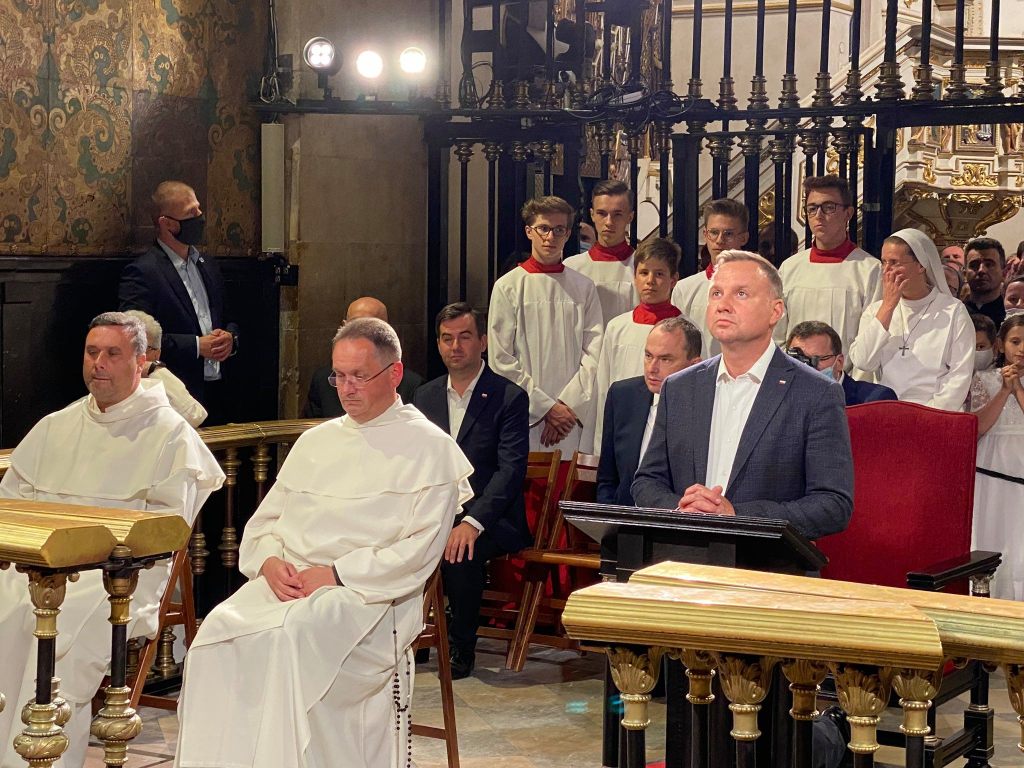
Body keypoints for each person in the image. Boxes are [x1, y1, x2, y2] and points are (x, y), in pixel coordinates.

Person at [174, 318, 473, 768]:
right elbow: (263, 525)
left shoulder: (430, 448)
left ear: (394, 373)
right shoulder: (315, 442)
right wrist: (269, 562)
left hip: (370, 598)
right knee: (216, 633)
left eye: (359, 376)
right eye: (339, 376)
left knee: (288, 638)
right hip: (291, 582)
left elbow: (418, 553)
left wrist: (336, 574)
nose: (346, 389)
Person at [631, 250, 852, 768]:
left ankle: (828, 739)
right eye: (716, 293)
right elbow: (646, 482)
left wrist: (738, 516)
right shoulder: (682, 387)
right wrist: (683, 505)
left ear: (776, 311)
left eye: (740, 293)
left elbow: (834, 504)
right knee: (694, 733)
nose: (723, 303)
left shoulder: (814, 394)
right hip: (692, 578)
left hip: (771, 582)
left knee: (772, 743)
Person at [0, 312, 224, 768]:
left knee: (59, 636)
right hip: (35, 568)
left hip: (114, 579)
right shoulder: (55, 426)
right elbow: (11, 506)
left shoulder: (169, 435)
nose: (98, 363)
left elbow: (164, 533)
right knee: (10, 611)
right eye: (92, 352)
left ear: (141, 362)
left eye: (112, 353)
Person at [414, 303, 530, 679]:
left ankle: (460, 647)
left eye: (464, 337)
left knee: (460, 549)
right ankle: (412, 638)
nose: (455, 346)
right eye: (447, 338)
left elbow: (510, 472)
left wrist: (473, 522)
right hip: (437, 512)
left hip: (493, 518)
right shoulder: (424, 396)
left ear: (482, 341)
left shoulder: (509, 397)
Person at [488, 195, 603, 453]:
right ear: (529, 231)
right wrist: (546, 408)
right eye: (543, 228)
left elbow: (594, 353)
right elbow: (501, 359)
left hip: (570, 420)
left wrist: (567, 406)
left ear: (568, 234)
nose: (550, 237)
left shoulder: (583, 287)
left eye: (559, 229)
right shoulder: (508, 287)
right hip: (525, 416)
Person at [118, 181, 238, 422]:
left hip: (220, 389)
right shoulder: (143, 272)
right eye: (191, 213)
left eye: (199, 209)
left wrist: (230, 338)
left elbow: (229, 315)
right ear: (167, 224)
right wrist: (196, 345)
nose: (200, 217)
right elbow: (137, 337)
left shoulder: (208, 264)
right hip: (175, 393)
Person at [849, 229, 974, 410]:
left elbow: (959, 375)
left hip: (935, 414)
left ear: (921, 265)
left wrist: (929, 414)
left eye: (894, 263)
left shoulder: (953, 311)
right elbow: (863, 362)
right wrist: (888, 306)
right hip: (885, 411)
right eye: (884, 262)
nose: (886, 270)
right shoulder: (876, 311)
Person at [597, 317, 702, 506]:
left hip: (677, 518)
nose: (652, 368)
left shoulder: (706, 408)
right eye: (648, 356)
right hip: (624, 519)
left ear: (694, 365)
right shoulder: (622, 396)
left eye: (665, 359)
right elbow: (608, 479)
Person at [777, 176, 881, 362]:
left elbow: (871, 338)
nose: (818, 215)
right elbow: (777, 333)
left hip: (846, 375)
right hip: (796, 374)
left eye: (828, 207)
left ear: (848, 213)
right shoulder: (790, 268)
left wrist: (848, 377)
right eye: (812, 208)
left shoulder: (869, 270)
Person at [593, 238, 683, 448]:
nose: (650, 281)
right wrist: (600, 445)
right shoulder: (617, 327)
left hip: (668, 432)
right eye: (644, 273)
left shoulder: (687, 330)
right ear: (634, 277)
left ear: (673, 280)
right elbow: (604, 388)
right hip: (623, 430)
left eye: (659, 274)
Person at [969, 314, 1024, 600]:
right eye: (1015, 341)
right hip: (991, 470)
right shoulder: (983, 379)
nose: (1022, 349)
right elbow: (977, 427)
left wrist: (1019, 389)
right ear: (1001, 345)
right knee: (994, 530)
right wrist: (1004, 390)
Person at [304, 296, 424, 417]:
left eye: (360, 376)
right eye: (354, 324)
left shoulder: (412, 386)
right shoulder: (322, 380)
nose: (347, 390)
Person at [672, 198, 750, 359]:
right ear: (705, 235)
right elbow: (676, 342)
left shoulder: (758, 287)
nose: (720, 240)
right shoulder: (685, 289)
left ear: (744, 238)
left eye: (728, 234)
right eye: (714, 232)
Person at [563, 180, 637, 323]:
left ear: (630, 217)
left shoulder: (642, 267)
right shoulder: (572, 267)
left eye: (617, 214)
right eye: (602, 213)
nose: (609, 222)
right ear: (592, 215)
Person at [125, 309, 208, 427]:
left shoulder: (158, 381)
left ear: (156, 354)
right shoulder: (105, 377)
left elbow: (195, 416)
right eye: (122, 348)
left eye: (141, 348)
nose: (131, 356)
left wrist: (154, 369)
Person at [785, 320, 897, 406]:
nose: (806, 368)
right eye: (798, 360)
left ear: (839, 362)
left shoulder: (876, 400)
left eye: (815, 359)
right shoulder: (781, 400)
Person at [964, 237, 1007, 328]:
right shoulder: (955, 313)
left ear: (1004, 272)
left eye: (989, 264)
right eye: (974, 265)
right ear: (964, 273)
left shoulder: (1010, 316)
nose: (981, 270)